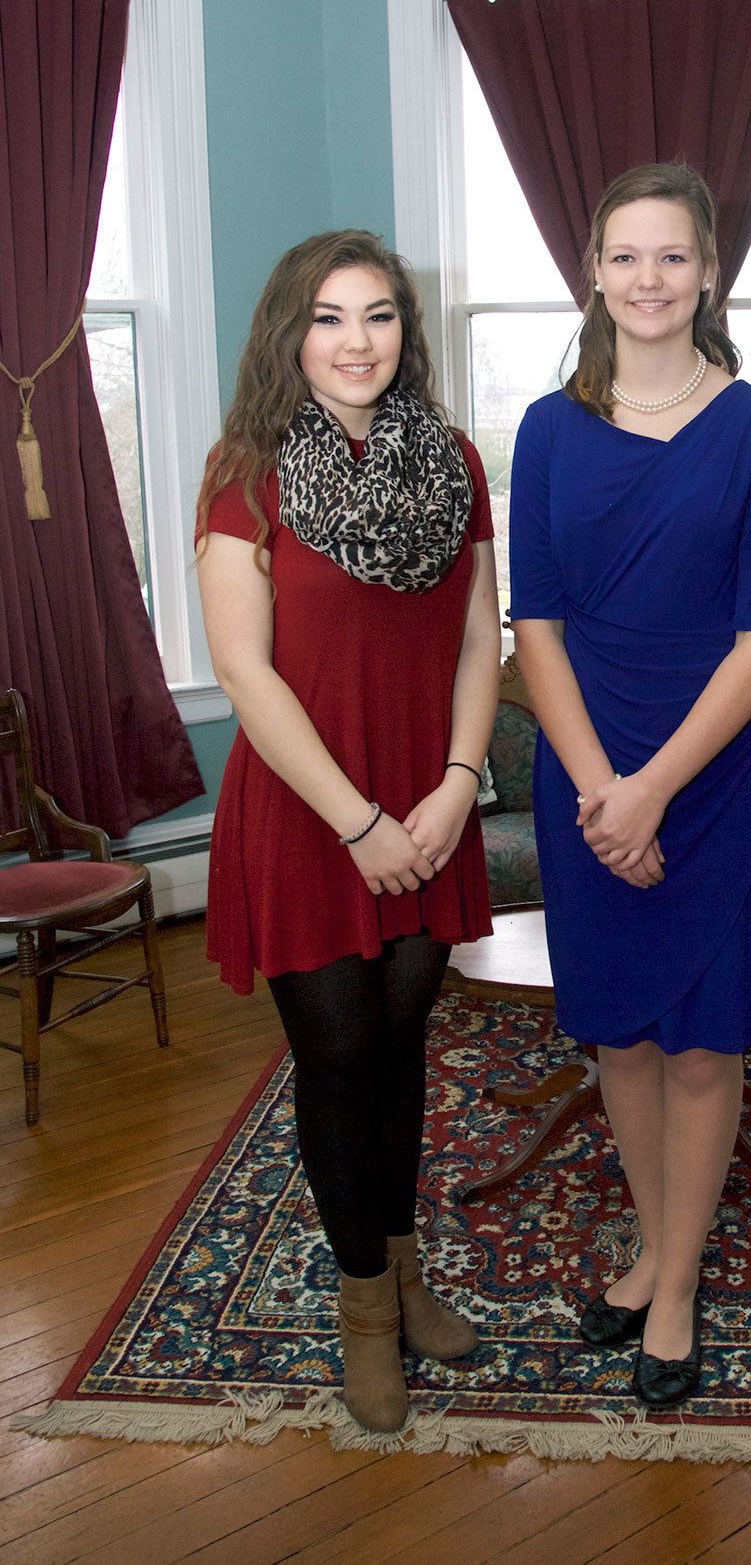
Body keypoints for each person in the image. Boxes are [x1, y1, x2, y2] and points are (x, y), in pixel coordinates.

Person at [508, 164, 751, 1407]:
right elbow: (533, 626)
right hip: (583, 776)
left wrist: (650, 793)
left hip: (715, 781)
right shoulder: (544, 427)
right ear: (592, 271)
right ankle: (650, 1239)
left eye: (672, 255)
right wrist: (601, 791)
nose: (648, 278)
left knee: (699, 1047)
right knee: (620, 1039)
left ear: (709, 271)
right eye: (624, 255)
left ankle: (674, 1282)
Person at [194, 230, 499, 1434]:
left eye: (378, 315)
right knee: (336, 1053)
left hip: (429, 804)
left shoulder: (454, 460)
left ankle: (404, 1267)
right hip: (311, 810)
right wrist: (360, 821)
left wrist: (459, 784)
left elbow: (478, 638)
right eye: (328, 317)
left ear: (404, 332)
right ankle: (364, 1305)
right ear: (290, 332)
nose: (357, 340)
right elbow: (243, 670)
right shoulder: (247, 471)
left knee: (399, 1042)